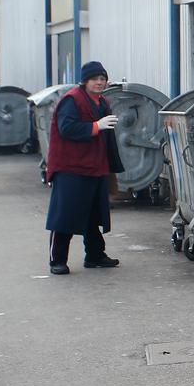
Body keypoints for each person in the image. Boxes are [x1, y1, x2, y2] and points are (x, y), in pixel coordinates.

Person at [45, 61, 125, 275]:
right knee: (65, 215)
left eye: (102, 78)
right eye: (95, 79)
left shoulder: (102, 101)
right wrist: (96, 126)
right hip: (71, 167)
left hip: (96, 166)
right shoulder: (71, 100)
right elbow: (66, 128)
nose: (99, 82)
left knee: (93, 213)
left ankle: (95, 255)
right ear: (85, 81)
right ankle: (57, 261)